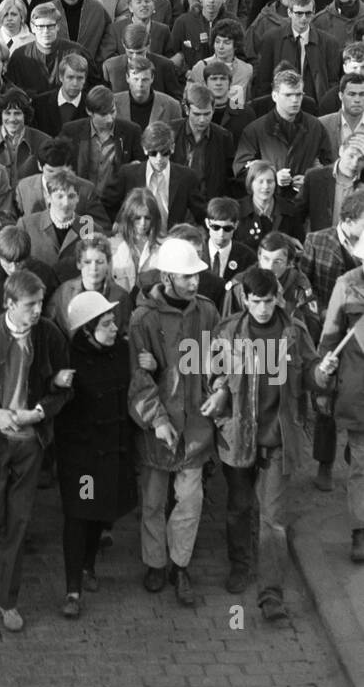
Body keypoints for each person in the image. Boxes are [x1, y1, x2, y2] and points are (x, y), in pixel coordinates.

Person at [204, 265, 319, 620]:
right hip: (238, 438)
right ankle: (240, 564)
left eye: (269, 301)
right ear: (244, 299)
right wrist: (221, 388)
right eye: (257, 301)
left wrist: (323, 372)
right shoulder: (226, 332)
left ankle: (271, 595)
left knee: (274, 520)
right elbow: (210, 375)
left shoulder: (295, 333)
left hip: (279, 438)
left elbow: (312, 375)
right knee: (239, 507)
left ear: (277, 298)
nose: (264, 308)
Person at [0, 268, 72, 631]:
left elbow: (65, 386)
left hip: (31, 444)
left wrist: (39, 411)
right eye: (30, 304)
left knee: (19, 521)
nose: (37, 310)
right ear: (9, 304)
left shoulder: (49, 335)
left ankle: (7, 600)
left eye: (41, 303)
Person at [128, 237, 219, 605]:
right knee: (151, 501)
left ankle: (180, 565)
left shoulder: (207, 313)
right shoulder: (143, 319)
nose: (194, 283)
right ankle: (154, 562)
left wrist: (220, 390)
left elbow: (214, 362)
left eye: (196, 276)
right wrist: (157, 420)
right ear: (167, 277)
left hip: (196, 426)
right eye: (186, 277)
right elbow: (138, 379)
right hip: (157, 430)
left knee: (190, 501)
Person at [56, 291, 136, 617]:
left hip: (114, 449)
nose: (114, 327)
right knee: (79, 514)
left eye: (113, 321)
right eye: (106, 323)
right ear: (87, 329)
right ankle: (72, 588)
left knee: (101, 513)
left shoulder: (123, 351)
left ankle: (89, 566)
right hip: (83, 455)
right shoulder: (68, 358)